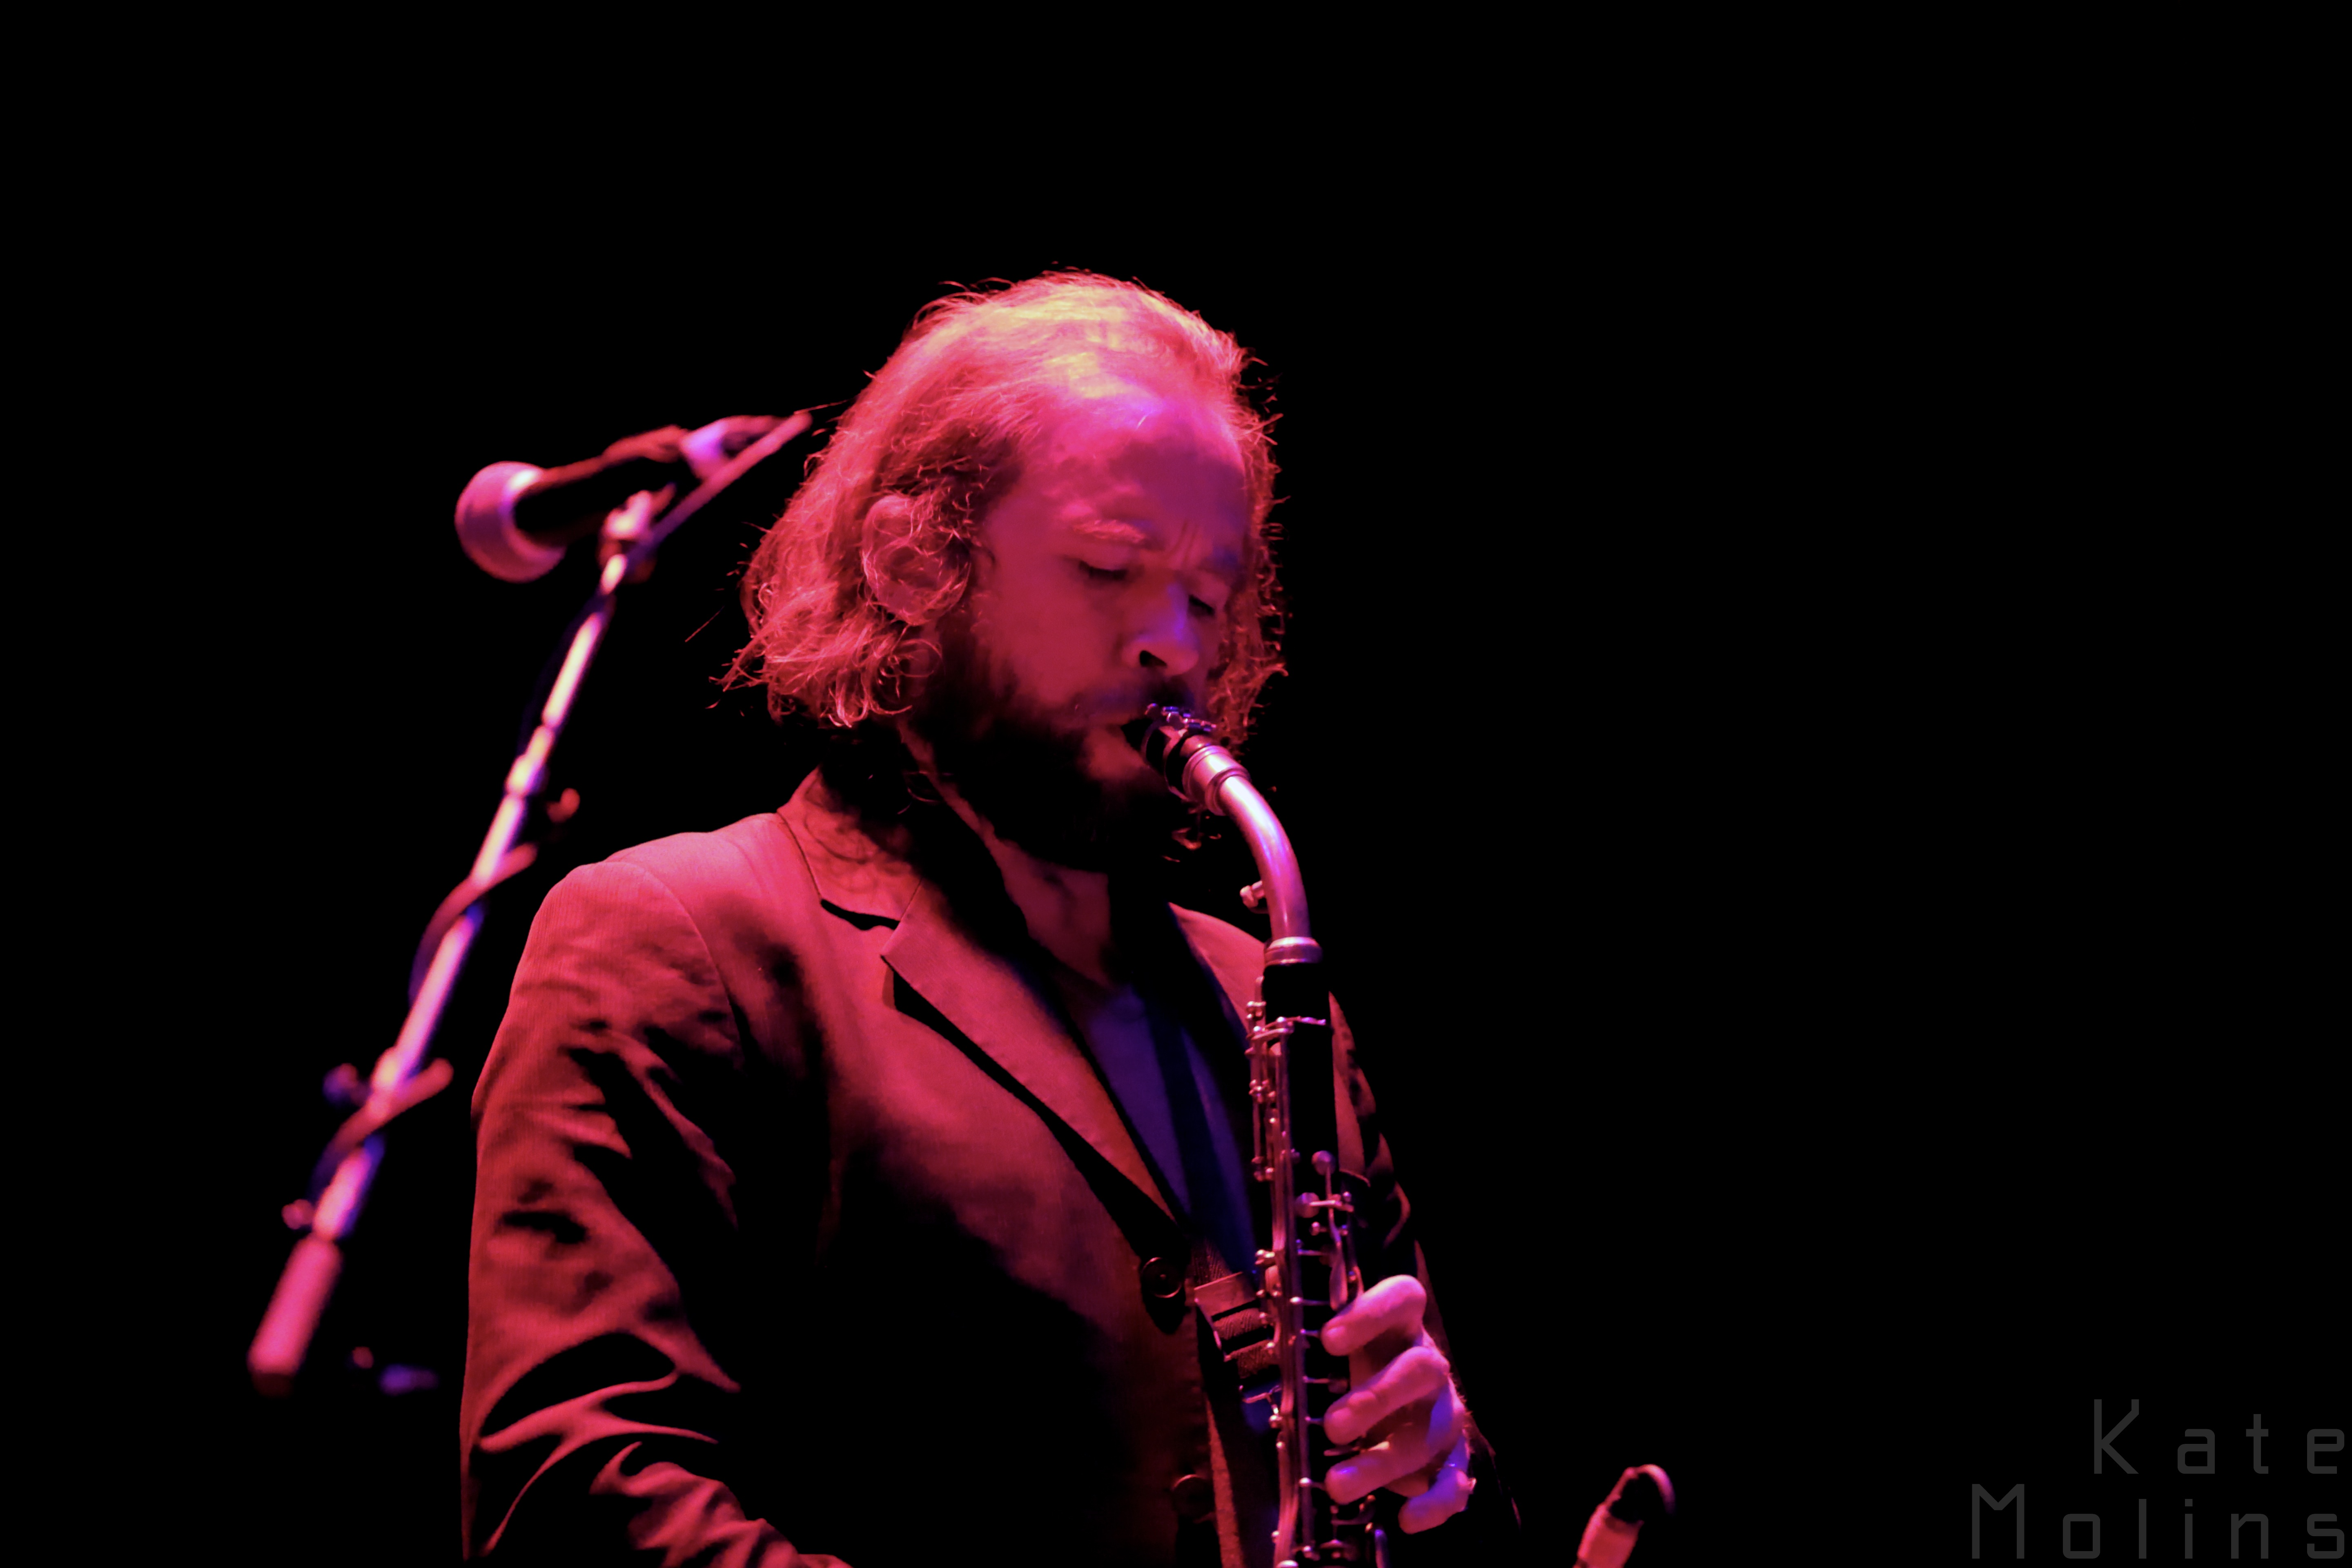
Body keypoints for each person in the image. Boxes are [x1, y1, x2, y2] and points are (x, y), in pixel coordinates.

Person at [460, 274, 1506, 1565]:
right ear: (915, 563)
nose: (1172, 645)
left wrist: (1442, 1470)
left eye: (1208, 595)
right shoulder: (681, 939)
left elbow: (1440, 1502)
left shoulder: (1267, 1004)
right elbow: (572, 1496)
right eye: (1110, 567)